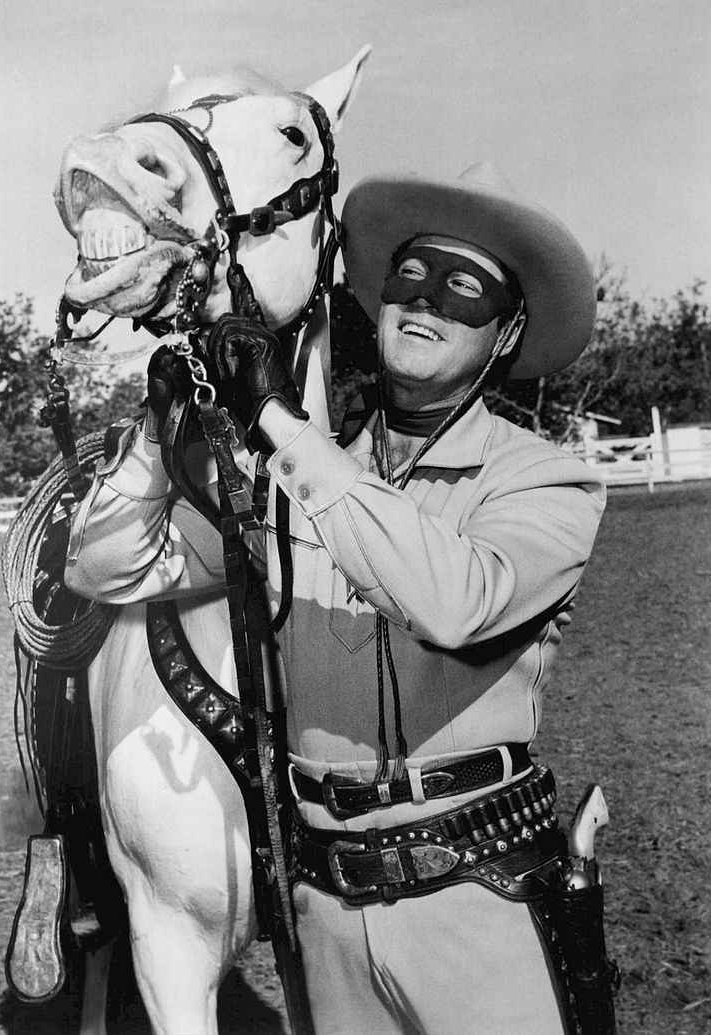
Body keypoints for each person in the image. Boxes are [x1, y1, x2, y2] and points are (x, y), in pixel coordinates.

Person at [66, 162, 614, 1034]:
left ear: (505, 333)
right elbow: (108, 571)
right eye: (410, 276)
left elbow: (456, 601)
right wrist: (150, 436)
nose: (426, 299)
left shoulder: (546, 480)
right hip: (325, 911)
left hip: (479, 898)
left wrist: (281, 423)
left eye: (464, 288)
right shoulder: (297, 482)